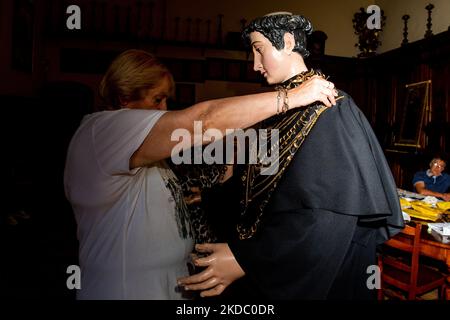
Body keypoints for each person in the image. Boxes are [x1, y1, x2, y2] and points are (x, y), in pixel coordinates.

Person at [63, 49, 337, 299]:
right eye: (157, 99)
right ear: (124, 98)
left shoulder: (139, 151)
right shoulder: (104, 131)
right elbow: (203, 120)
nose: (164, 110)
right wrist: (292, 97)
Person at [178, 12, 404, 300]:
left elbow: (328, 217)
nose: (255, 65)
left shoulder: (333, 109)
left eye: (259, 50)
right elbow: (258, 184)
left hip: (313, 273)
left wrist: (248, 259)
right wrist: (212, 197)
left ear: (286, 42)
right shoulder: (275, 110)